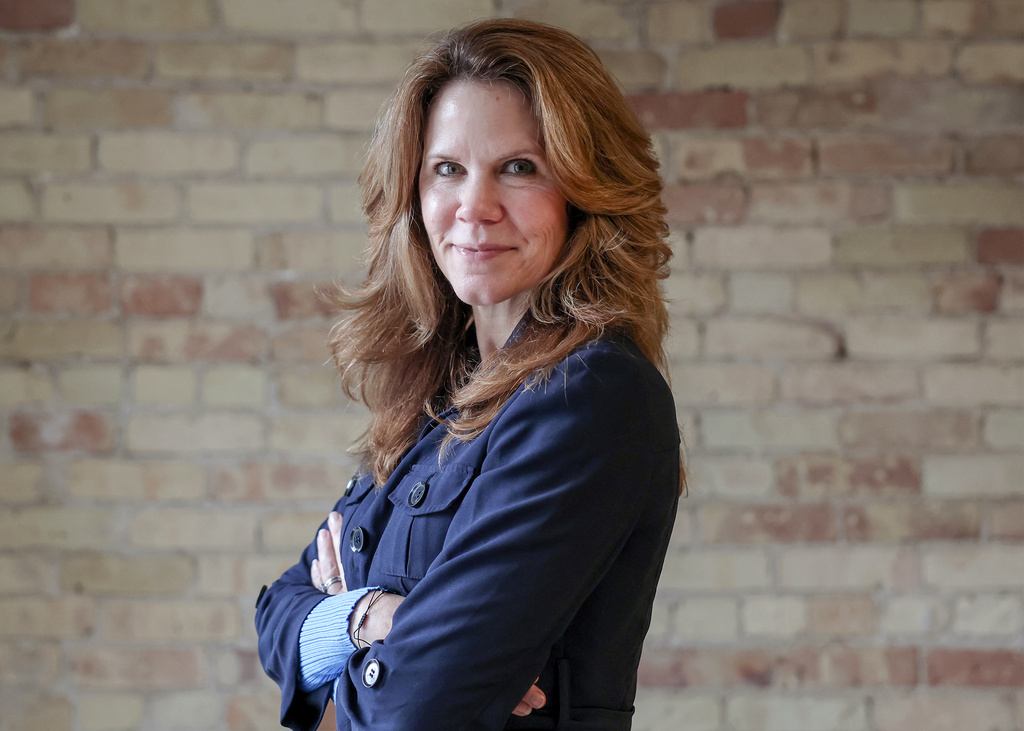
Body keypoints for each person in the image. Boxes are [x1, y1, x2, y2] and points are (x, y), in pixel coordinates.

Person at [255, 18, 682, 731]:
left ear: (582, 189)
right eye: (447, 169)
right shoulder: (436, 399)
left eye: (519, 167)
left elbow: (416, 707)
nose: (474, 208)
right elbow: (276, 618)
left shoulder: (592, 395)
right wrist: (368, 616)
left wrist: (364, 643)